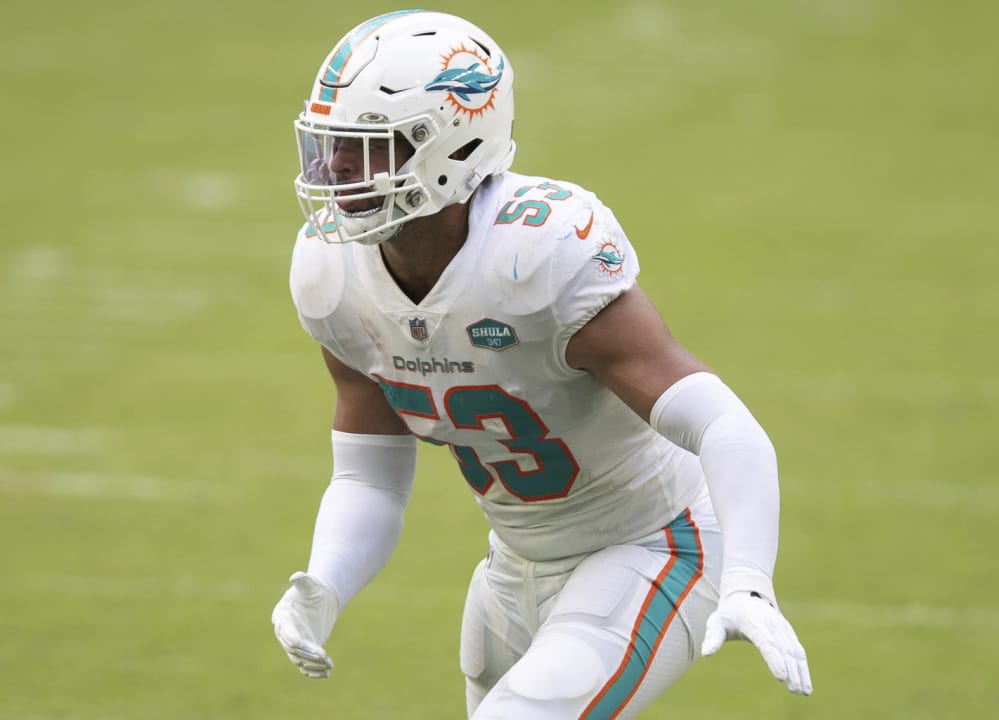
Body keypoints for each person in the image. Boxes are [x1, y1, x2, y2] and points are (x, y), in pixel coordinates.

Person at [272, 9, 813, 718]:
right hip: (510, 567)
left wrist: (747, 578)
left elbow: (720, 422)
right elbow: (369, 474)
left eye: (370, 145)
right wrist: (327, 581)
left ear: (453, 150)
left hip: (652, 545)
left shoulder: (540, 254)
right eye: (333, 139)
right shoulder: (331, 272)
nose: (337, 164)